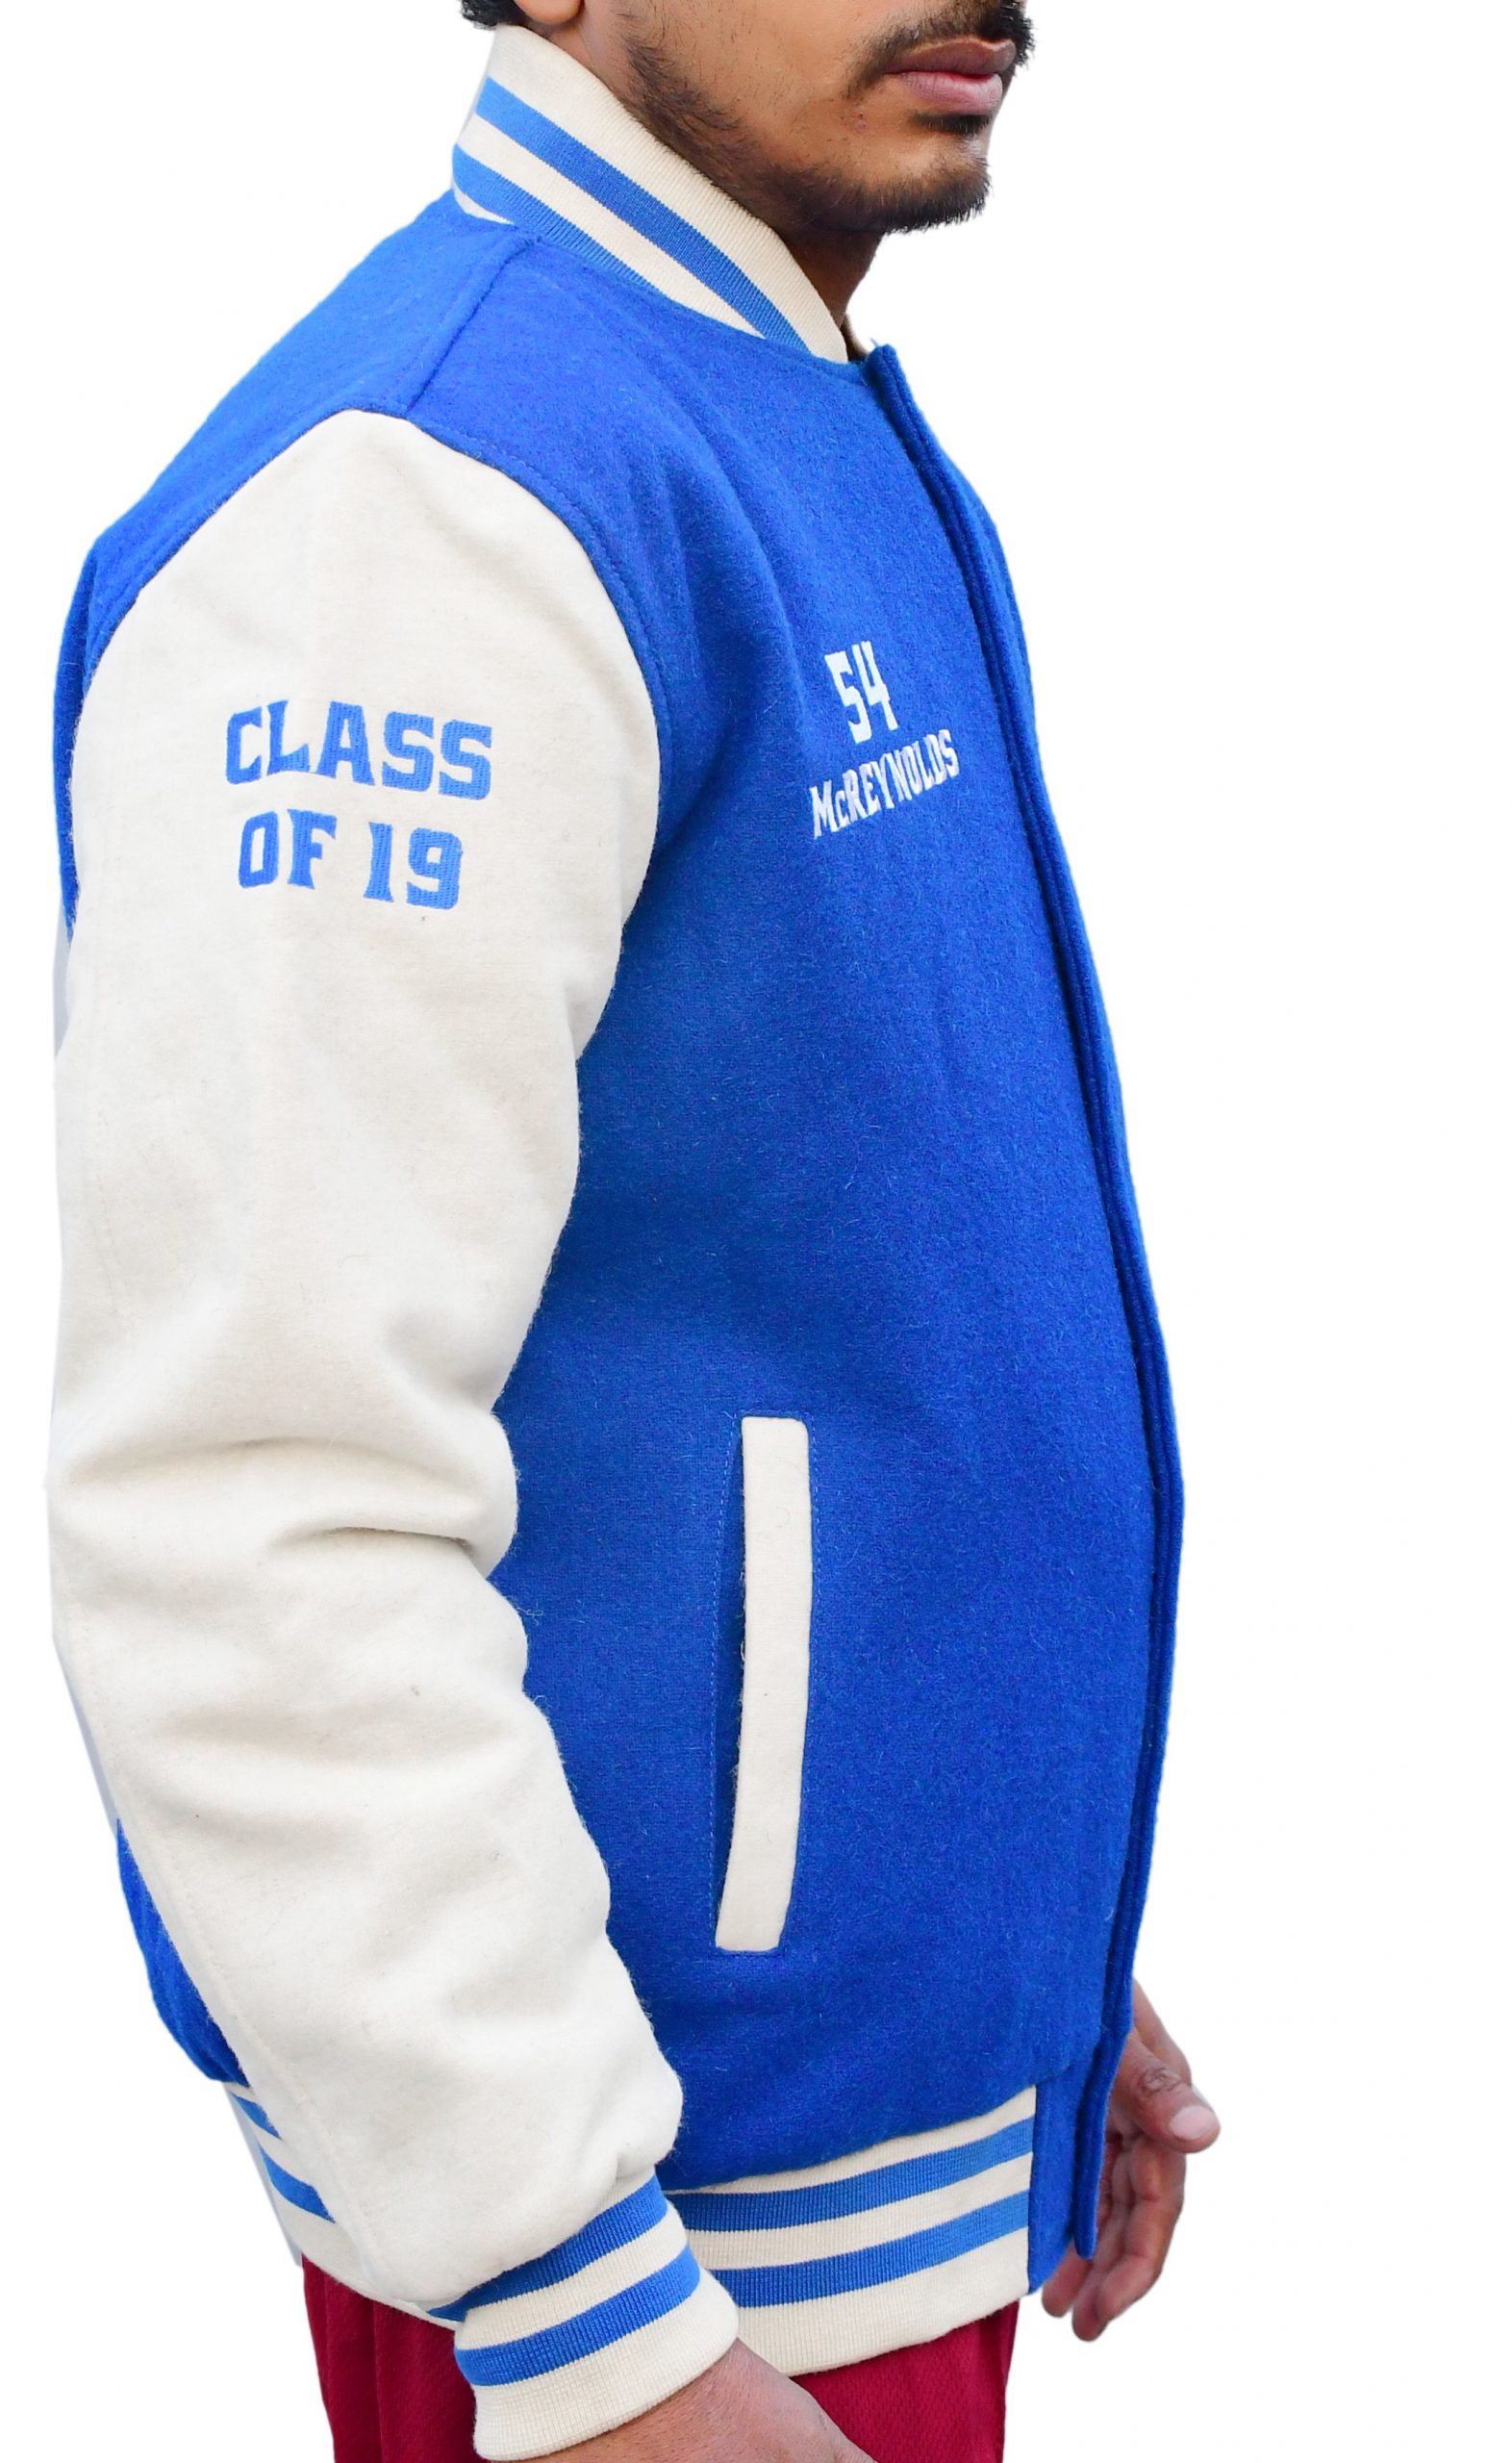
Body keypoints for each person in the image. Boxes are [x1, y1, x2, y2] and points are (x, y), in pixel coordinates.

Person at [48, 6, 1221, 2458]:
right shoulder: (425, 514)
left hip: (813, 2168)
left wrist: (1018, 1954)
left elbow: (811, 1288)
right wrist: (583, 2319)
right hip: (644, 2268)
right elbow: (251, 1519)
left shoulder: (757, 395)